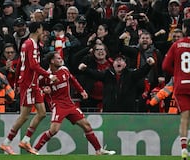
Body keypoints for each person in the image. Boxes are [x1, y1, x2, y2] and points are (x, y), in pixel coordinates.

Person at [31, 51, 116, 155]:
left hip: (69, 104)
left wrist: (81, 91)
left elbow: (73, 79)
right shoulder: (45, 76)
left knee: (87, 125)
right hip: (58, 105)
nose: (61, 59)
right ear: (52, 61)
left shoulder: (64, 70)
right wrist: (43, 90)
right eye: (58, 58)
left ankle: (99, 150)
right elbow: (35, 87)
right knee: (54, 130)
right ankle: (34, 150)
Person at [0, 22, 57, 155]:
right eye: (42, 29)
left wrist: (15, 83)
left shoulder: (27, 43)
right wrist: (49, 75)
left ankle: (26, 140)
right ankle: (6, 143)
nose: (43, 32)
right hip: (28, 83)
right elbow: (33, 65)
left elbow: (20, 63)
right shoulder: (31, 44)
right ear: (38, 30)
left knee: (42, 113)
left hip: (33, 83)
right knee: (24, 116)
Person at [78, 54, 156, 112]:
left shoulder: (131, 75)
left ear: (125, 65)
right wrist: (85, 69)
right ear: (113, 64)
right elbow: (95, 74)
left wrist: (148, 65)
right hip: (110, 111)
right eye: (116, 60)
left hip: (127, 112)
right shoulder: (107, 75)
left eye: (121, 60)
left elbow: (141, 72)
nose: (118, 62)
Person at [162, 18, 190, 160]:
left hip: (181, 85)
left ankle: (184, 150)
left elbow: (165, 66)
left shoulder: (177, 45)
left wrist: (178, 73)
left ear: (184, 29)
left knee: (185, 117)